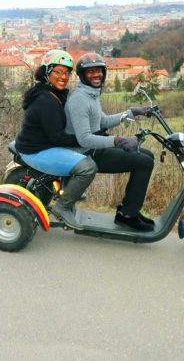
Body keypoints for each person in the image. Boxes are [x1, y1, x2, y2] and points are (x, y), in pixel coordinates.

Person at [65, 52, 155, 232]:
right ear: (82, 75)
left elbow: (103, 121)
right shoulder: (79, 100)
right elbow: (84, 139)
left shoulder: (91, 94)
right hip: (86, 152)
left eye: (99, 71)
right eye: (90, 72)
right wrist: (117, 140)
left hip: (94, 147)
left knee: (148, 155)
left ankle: (129, 210)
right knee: (144, 162)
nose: (96, 74)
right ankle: (127, 215)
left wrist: (133, 112)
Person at [15, 50, 98, 218]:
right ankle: (63, 207)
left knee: (84, 151)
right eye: (58, 72)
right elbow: (58, 137)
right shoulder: (46, 100)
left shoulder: (54, 94)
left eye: (67, 73)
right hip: (36, 150)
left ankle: (68, 190)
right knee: (87, 168)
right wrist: (86, 139)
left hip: (45, 144)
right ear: (47, 73)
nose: (64, 77)